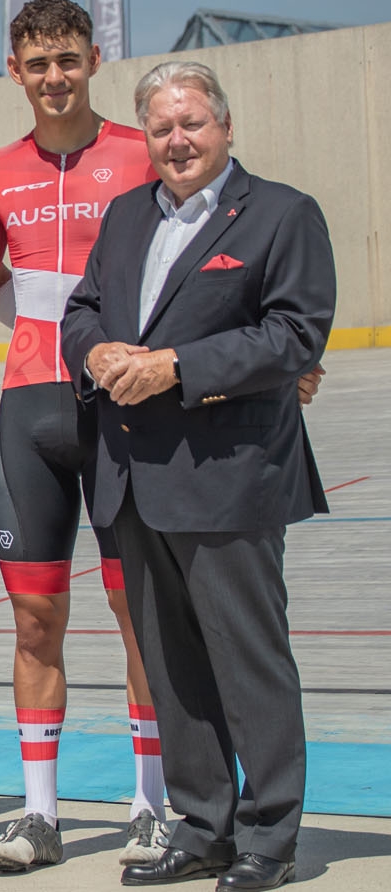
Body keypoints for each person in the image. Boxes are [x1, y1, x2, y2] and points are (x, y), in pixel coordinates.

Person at [61, 60, 334, 891]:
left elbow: (295, 336)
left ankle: (269, 835)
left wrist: (178, 365)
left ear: (224, 127)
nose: (176, 141)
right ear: (144, 137)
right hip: (133, 476)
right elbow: (81, 310)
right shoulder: (125, 215)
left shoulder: (282, 214)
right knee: (174, 666)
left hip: (228, 476)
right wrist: (97, 352)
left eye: (192, 124)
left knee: (246, 659)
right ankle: (203, 822)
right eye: (160, 128)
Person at [0, 0, 166, 872]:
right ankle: (40, 815)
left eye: (68, 61)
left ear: (93, 60)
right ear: (15, 71)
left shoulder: (139, 153)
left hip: (127, 415)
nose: (54, 78)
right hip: (32, 412)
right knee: (35, 620)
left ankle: (153, 806)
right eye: (37, 64)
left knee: (140, 616)